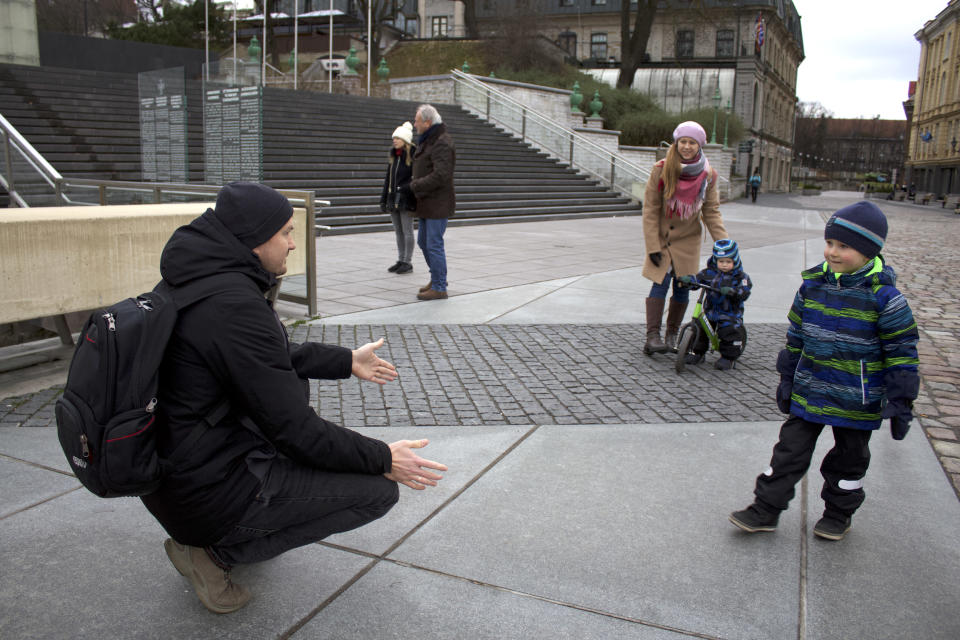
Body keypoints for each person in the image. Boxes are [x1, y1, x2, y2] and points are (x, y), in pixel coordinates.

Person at [145, 182, 448, 614]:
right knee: (376, 492)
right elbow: (295, 431)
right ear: (255, 238)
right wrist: (383, 457)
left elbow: (263, 358)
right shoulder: (233, 305)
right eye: (286, 232)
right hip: (207, 491)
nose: (292, 243)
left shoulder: (198, 278)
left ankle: (221, 533)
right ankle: (214, 553)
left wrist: (345, 360)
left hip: (178, 477)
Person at [729, 201, 918, 541]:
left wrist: (902, 398)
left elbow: (902, 350)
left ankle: (838, 513)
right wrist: (788, 376)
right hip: (810, 388)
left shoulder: (885, 298)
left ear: (868, 251)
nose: (832, 251)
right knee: (788, 452)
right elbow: (797, 333)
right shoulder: (812, 286)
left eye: (843, 246)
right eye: (830, 243)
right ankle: (765, 509)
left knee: (848, 461)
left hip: (856, 399)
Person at [642, 120, 729, 355]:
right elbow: (650, 209)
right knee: (659, 283)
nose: (687, 146)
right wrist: (652, 246)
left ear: (700, 146)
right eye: (683, 142)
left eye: (692, 142)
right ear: (676, 142)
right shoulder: (661, 168)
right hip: (662, 237)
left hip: (688, 240)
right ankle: (652, 336)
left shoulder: (708, 175)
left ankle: (671, 335)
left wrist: (725, 244)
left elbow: (711, 212)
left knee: (683, 286)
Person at [678, 238, 752, 370]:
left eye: (728, 262)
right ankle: (697, 352)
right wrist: (688, 280)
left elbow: (744, 291)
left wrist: (734, 292)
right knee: (699, 328)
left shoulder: (741, 277)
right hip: (711, 310)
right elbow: (698, 279)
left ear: (735, 261)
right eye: (721, 261)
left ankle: (728, 358)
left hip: (729, 313)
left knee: (729, 331)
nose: (724, 264)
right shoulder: (709, 273)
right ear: (715, 260)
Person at [411, 104, 455, 301]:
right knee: (423, 242)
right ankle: (437, 278)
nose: (415, 124)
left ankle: (439, 286)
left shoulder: (441, 142)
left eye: (417, 121)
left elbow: (441, 175)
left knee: (433, 244)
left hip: (437, 203)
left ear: (427, 123)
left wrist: (416, 185)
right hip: (427, 202)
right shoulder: (430, 139)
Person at [380, 121, 417, 275]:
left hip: (406, 198)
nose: (394, 140)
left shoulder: (412, 156)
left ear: (405, 140)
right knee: (398, 231)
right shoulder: (394, 157)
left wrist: (404, 188)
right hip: (393, 198)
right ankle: (401, 259)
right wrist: (383, 198)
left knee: (407, 231)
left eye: (397, 138)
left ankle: (407, 262)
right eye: (393, 138)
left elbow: (416, 179)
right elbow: (388, 179)